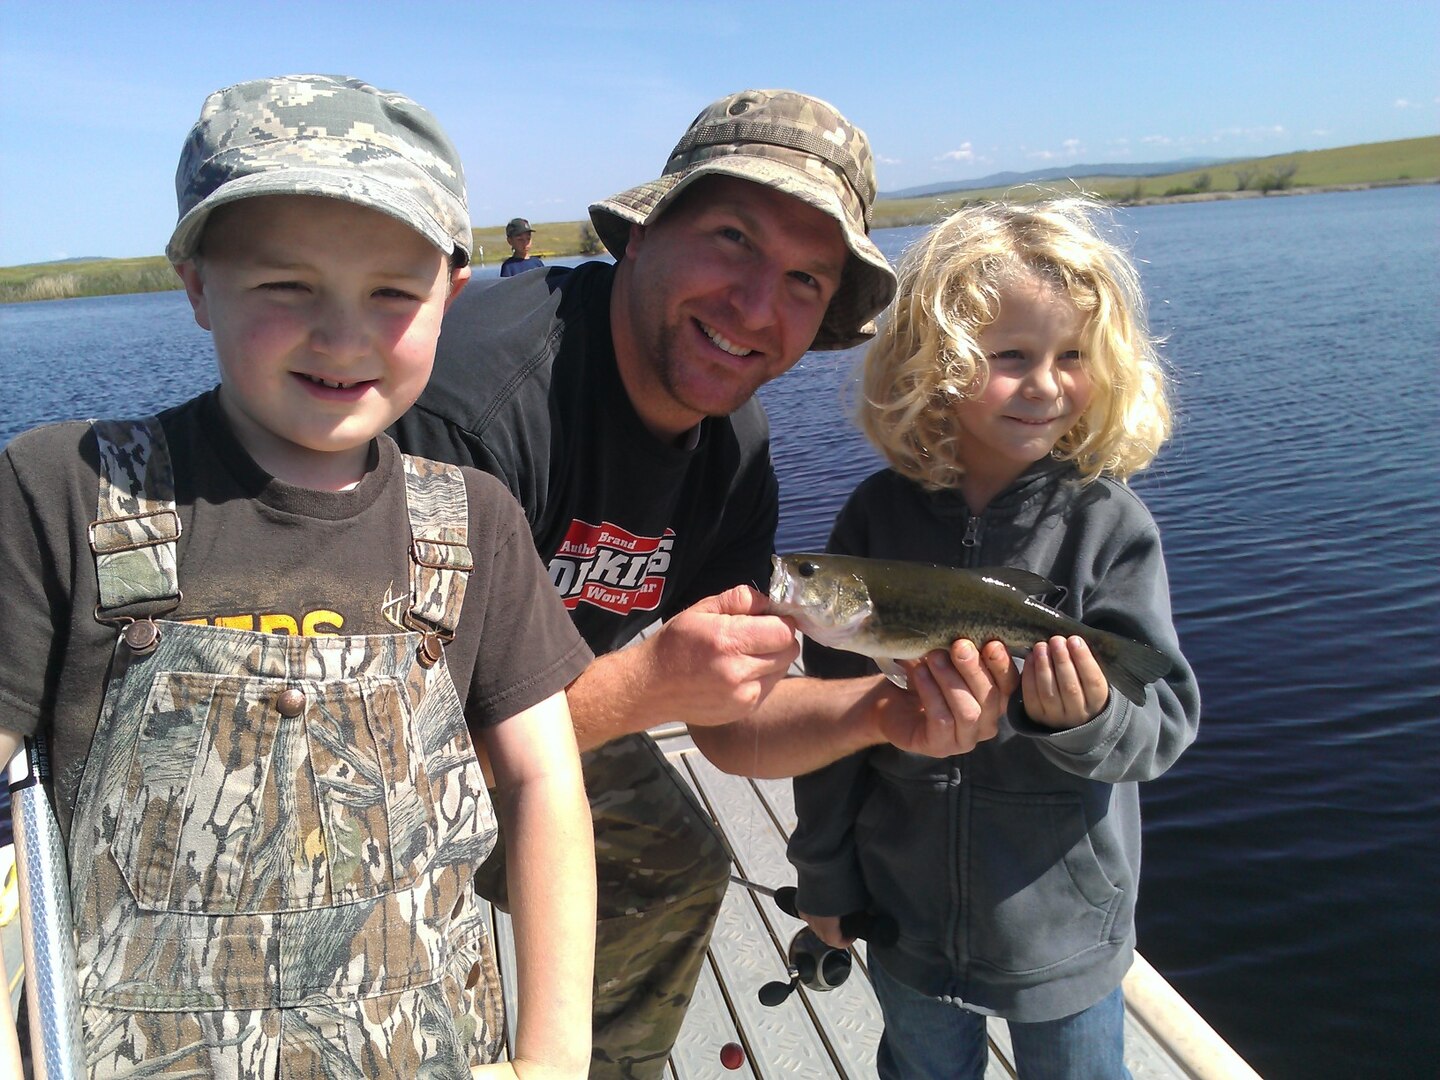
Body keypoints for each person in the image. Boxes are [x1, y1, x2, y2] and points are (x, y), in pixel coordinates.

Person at [390, 88, 1021, 1078]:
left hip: (529, 716)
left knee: (675, 860)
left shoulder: (731, 456)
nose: (759, 307)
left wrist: (884, 710)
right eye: (732, 238)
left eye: (806, 280)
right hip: (335, 743)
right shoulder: (475, 410)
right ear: (643, 236)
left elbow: (731, 732)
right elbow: (384, 755)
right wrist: (643, 690)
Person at [0, 74, 596, 1079]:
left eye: (393, 295)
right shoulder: (66, 489)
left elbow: (544, 783)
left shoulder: (474, 521)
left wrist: (553, 1055)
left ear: (451, 294)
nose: (344, 334)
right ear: (195, 282)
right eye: (286, 288)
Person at [787, 199, 1202, 1079]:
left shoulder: (1106, 524)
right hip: (905, 920)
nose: (1046, 384)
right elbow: (823, 730)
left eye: (1072, 357)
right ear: (937, 362)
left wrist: (1082, 718)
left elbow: (1160, 727)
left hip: (1063, 933)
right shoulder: (874, 517)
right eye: (1012, 357)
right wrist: (824, 882)